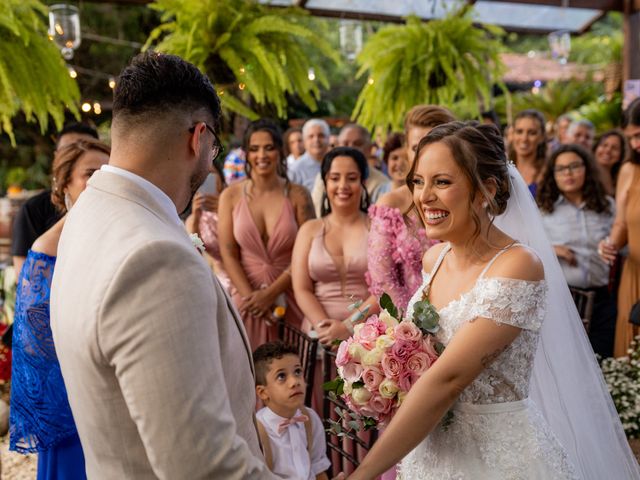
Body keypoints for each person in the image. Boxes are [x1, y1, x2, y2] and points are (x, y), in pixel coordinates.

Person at [346, 121, 639, 479]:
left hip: (499, 461)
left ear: (486, 189)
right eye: (418, 182)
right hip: (431, 454)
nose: (424, 197)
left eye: (442, 182)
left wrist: (363, 473)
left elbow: (448, 379)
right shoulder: (432, 260)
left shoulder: (518, 265)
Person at [49, 52, 277, 478]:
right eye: (215, 148)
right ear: (199, 137)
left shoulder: (86, 213)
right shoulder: (156, 259)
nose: (210, 162)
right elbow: (204, 467)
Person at [10, 139, 110, 480]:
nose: (102, 181)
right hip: (70, 399)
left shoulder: (115, 234)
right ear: (64, 183)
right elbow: (34, 339)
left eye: (108, 172)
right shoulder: (47, 248)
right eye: (90, 174)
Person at [218, 119, 314, 350]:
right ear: (247, 154)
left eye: (269, 147)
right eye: (254, 148)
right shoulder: (230, 196)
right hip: (246, 297)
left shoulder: (298, 196)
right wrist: (251, 299)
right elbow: (228, 252)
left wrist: (271, 294)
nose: (262, 155)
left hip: (289, 293)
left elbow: (307, 252)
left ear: (280, 151)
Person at [368, 105, 454, 311]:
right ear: (406, 150)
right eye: (416, 148)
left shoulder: (465, 199)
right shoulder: (390, 205)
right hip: (408, 322)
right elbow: (384, 282)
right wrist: (414, 331)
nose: (424, 156)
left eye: (434, 146)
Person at [538, 144, 616, 357]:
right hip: (565, 298)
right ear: (553, 175)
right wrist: (553, 249)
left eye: (574, 166)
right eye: (561, 169)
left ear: (587, 169)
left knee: (602, 359)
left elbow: (622, 245)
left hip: (602, 299)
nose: (568, 173)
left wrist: (611, 245)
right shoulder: (545, 210)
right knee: (568, 360)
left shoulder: (606, 206)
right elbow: (526, 248)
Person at [11, 123, 99, 275]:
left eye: (87, 146)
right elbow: (24, 278)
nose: (77, 153)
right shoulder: (33, 209)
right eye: (69, 149)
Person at [254, 341, 331, 480]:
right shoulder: (257, 431)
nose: (295, 381)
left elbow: (318, 467)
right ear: (263, 392)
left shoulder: (310, 418)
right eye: (281, 376)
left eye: (297, 372)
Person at [600, 98, 640, 357]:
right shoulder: (629, 169)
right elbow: (623, 224)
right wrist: (608, 244)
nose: (635, 144)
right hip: (634, 277)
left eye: (639, 135)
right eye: (630, 138)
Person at [310, 124, 390, 216]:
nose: (350, 148)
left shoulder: (382, 183)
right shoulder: (323, 177)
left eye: (357, 144)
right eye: (345, 143)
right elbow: (317, 211)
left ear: (370, 149)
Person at [184, 162, 230, 291]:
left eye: (210, 175)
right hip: (215, 283)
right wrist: (195, 220)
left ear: (220, 177)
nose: (206, 181)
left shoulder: (236, 208)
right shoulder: (193, 220)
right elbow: (194, 253)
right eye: (201, 178)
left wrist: (225, 210)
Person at [509, 109, 547, 196]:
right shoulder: (502, 171)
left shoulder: (549, 173)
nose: (524, 138)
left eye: (532, 133)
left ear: (541, 137)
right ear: (512, 135)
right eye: (519, 131)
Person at [289, 119, 331, 191]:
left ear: (328, 139)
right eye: (311, 136)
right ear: (304, 141)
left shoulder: (335, 164)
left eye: (321, 135)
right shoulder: (295, 170)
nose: (316, 140)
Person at [593, 129, 627, 197]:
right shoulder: (583, 177)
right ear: (596, 148)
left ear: (621, 155)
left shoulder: (622, 182)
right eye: (604, 145)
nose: (608, 150)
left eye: (614, 148)